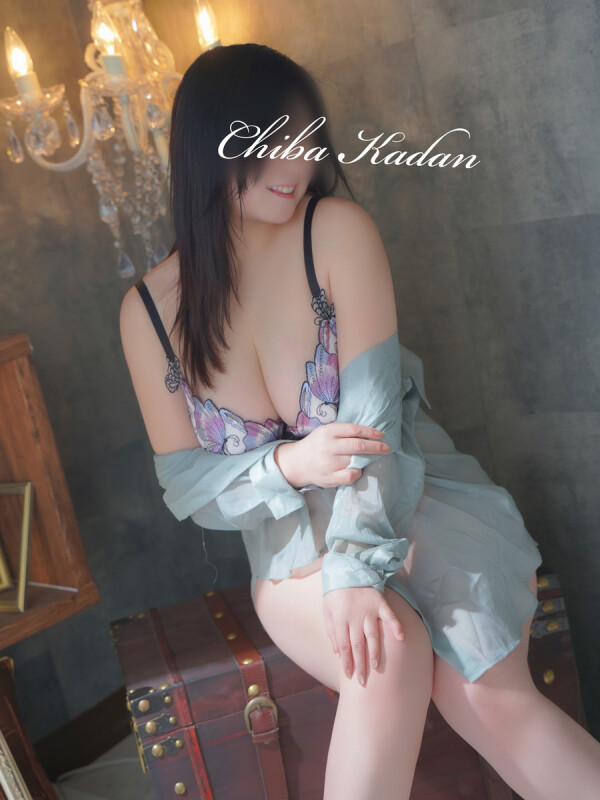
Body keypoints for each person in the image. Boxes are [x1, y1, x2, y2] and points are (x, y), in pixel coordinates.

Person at [119, 43, 600, 800]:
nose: (296, 162)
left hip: (413, 500)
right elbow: (189, 487)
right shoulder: (148, 313)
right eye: (271, 141)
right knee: (387, 653)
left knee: (486, 694)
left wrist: (353, 569)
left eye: (306, 139)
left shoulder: (335, 230)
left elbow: (376, 429)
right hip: (290, 553)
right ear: (212, 146)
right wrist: (290, 465)